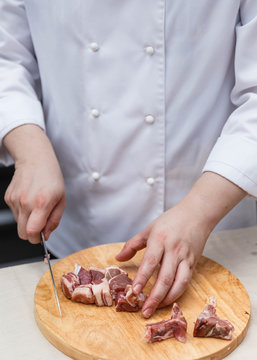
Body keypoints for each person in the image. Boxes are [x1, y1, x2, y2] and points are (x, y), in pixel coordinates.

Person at [1, 0, 257, 319]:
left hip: (220, 228)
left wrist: (199, 211)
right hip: (79, 225)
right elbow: (7, 58)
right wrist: (30, 151)